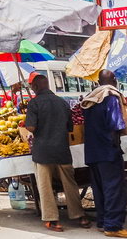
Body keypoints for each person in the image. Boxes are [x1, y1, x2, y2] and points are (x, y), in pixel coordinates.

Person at [25, 72, 90, 232]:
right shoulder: (62, 103)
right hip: (62, 150)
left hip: (42, 152)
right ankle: (80, 216)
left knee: (45, 186)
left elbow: (31, 127)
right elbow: (69, 128)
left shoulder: (34, 104)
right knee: (70, 184)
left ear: (35, 87)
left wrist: (29, 125)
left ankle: (52, 220)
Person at [80, 70, 127, 238]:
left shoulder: (90, 99)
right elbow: (115, 124)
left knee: (99, 188)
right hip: (107, 150)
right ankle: (113, 226)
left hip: (92, 151)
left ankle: (103, 221)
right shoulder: (110, 97)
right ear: (113, 80)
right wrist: (118, 143)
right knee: (113, 188)